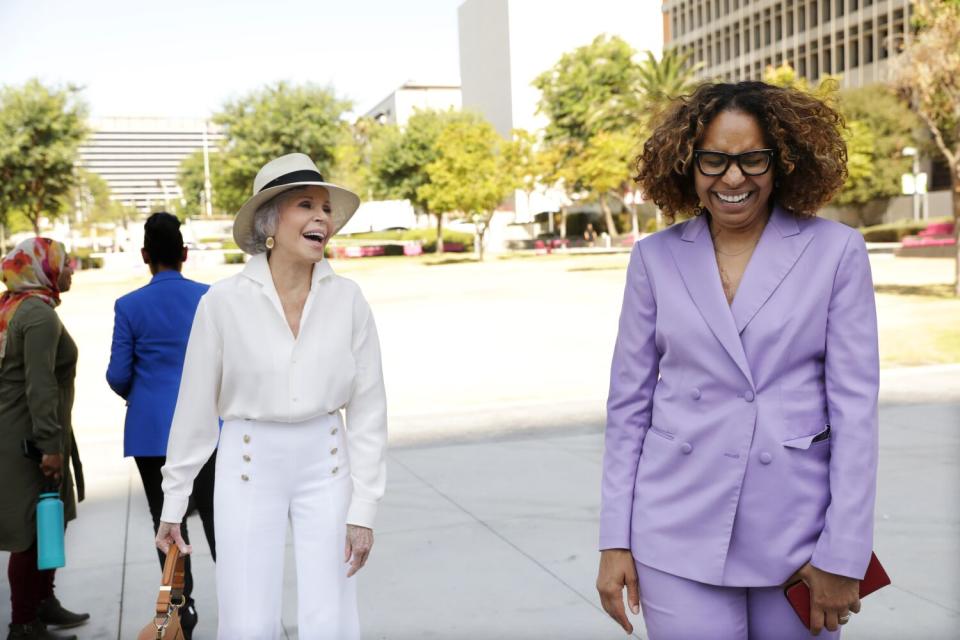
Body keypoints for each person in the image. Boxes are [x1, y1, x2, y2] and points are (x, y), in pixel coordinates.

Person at [596, 81, 879, 639]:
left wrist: (845, 553)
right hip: (675, 527)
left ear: (782, 163)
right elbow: (628, 407)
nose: (732, 178)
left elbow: (856, 413)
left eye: (752, 159)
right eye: (714, 160)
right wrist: (614, 539)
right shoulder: (653, 259)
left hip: (799, 535)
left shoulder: (837, 252)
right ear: (687, 165)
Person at [154, 153, 388, 640]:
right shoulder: (222, 302)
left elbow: (368, 411)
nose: (322, 218)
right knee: (246, 615)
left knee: (333, 614)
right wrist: (173, 501)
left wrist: (364, 507)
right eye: (306, 205)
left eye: (326, 208)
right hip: (246, 462)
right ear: (270, 222)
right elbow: (195, 409)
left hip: (327, 462)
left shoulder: (348, 300)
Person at [105, 212, 216, 638]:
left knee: (167, 523)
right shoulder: (210, 297)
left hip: (153, 432)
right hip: (209, 428)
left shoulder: (129, 306)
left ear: (145, 255)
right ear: (185, 253)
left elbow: (118, 374)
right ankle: (244, 593)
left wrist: (147, 393)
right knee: (217, 515)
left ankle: (180, 608)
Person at [0, 238, 89, 640]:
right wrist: (49, 447)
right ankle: (24, 622)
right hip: (30, 440)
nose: (71, 269)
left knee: (47, 521)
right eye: (64, 263)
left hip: (25, 433)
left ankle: (43, 601)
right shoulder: (37, 315)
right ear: (44, 268)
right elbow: (40, 387)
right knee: (30, 531)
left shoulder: (14, 305)